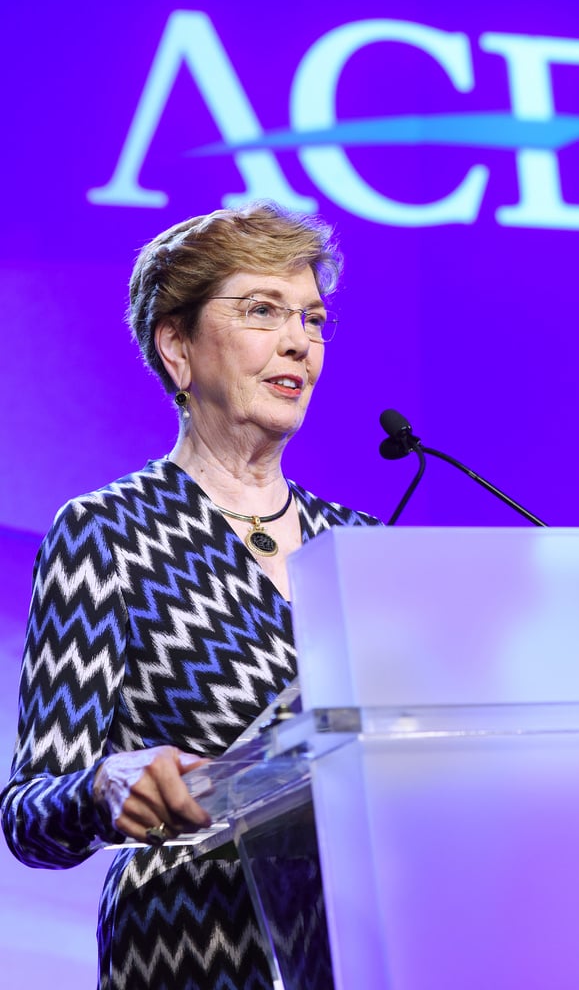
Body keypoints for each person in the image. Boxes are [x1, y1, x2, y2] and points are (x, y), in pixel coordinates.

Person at [0, 202, 381, 988]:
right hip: (191, 949)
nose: (297, 342)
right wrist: (103, 788)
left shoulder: (362, 545)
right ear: (176, 346)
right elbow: (28, 812)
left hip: (364, 947)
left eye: (311, 318)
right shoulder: (106, 532)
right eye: (261, 311)